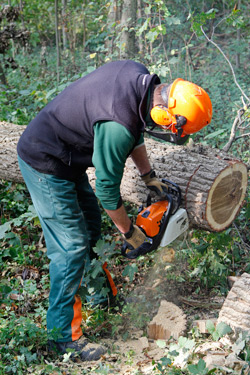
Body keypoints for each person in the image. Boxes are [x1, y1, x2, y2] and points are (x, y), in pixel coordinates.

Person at [17, 59, 212, 361]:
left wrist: (150, 178)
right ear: (163, 111)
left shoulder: (138, 78)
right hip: (45, 161)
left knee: (92, 230)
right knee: (71, 247)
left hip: (69, 158)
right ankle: (62, 339)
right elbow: (107, 191)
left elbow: (135, 129)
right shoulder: (116, 126)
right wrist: (130, 232)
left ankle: (102, 298)